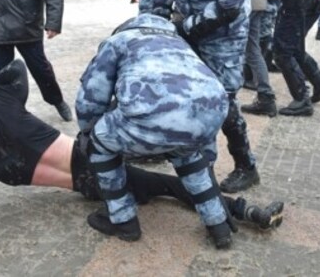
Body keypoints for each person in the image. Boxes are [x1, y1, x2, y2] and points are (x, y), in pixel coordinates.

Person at [0, 56, 285, 237]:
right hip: (92, 164)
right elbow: (16, 69)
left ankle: (239, 212)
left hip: (78, 181)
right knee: (172, 181)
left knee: (162, 181)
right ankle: (245, 211)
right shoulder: (1, 100)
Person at [75, 14, 239, 247]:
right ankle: (218, 225)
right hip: (208, 115)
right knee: (187, 153)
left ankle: (122, 220)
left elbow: (91, 98)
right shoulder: (179, 41)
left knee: (100, 143)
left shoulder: (119, 41)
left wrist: (87, 133)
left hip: (154, 114)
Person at [153, 0, 259, 193]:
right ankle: (192, 159)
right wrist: (153, 22)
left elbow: (227, 5)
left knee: (222, 100)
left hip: (224, 35)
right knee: (185, 93)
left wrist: (183, 28)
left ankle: (245, 165)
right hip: (187, 29)